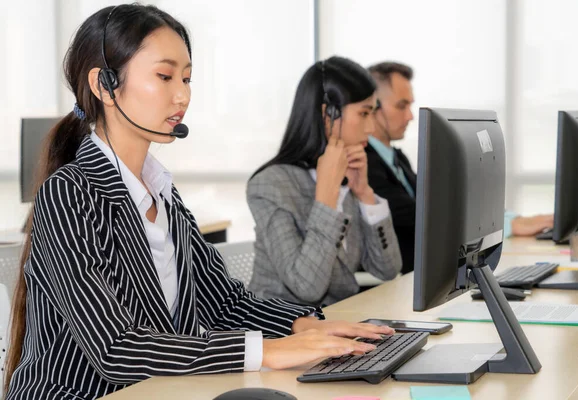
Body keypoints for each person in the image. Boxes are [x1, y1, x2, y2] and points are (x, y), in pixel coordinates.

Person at [4, 6, 393, 399]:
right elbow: (115, 348)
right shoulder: (69, 192)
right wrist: (266, 352)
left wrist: (303, 325)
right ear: (105, 85)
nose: (183, 95)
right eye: (165, 76)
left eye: (187, 78)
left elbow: (223, 303)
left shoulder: (162, 192)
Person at [366, 61, 554, 273]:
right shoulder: (364, 166)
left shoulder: (396, 159)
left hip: (427, 275)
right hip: (403, 281)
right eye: (402, 106)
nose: (410, 116)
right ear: (373, 105)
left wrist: (510, 220)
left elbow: (437, 204)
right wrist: (508, 225)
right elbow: (423, 217)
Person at [247, 56, 403, 307]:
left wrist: (364, 193)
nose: (370, 127)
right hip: (282, 332)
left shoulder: (350, 176)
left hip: (339, 323)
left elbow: (386, 270)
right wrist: (327, 197)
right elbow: (306, 286)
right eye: (364, 113)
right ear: (327, 113)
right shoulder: (271, 185)